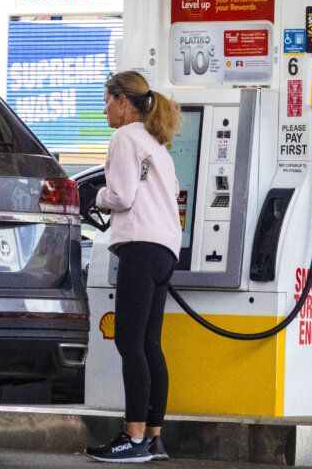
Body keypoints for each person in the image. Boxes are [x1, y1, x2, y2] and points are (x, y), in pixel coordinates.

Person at [83, 71, 182, 463]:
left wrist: (95, 196)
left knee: (129, 341)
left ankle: (133, 437)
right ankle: (154, 437)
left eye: (107, 100)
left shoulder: (125, 137)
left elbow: (121, 195)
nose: (105, 108)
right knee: (150, 344)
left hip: (140, 247)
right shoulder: (158, 144)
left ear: (123, 101)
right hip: (164, 250)